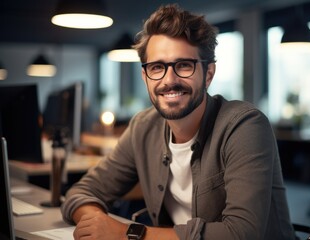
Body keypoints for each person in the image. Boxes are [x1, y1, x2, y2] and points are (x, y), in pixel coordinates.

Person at [61, 4, 295, 240]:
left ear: (209, 74)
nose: (169, 80)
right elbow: (82, 192)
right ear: (145, 76)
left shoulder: (244, 126)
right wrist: (97, 223)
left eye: (184, 65)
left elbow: (241, 234)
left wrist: (127, 234)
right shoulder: (143, 127)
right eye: (157, 67)